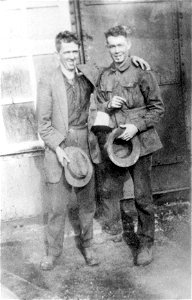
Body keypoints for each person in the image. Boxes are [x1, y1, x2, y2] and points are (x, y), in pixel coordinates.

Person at [37, 30, 151, 270]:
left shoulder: (88, 73)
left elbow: (117, 65)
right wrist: (57, 148)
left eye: (74, 51)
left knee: (86, 203)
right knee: (57, 207)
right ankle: (52, 252)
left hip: (84, 142)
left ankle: (88, 247)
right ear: (57, 53)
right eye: (66, 52)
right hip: (59, 144)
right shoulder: (47, 80)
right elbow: (43, 124)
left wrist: (136, 58)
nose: (71, 56)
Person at [94, 25, 164, 266]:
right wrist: (107, 105)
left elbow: (158, 109)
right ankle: (114, 230)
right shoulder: (104, 75)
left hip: (140, 143)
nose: (116, 50)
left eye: (120, 45)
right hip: (116, 144)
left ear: (129, 45)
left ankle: (146, 243)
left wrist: (138, 126)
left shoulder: (143, 73)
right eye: (112, 46)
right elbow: (99, 107)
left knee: (143, 197)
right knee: (109, 189)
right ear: (108, 48)